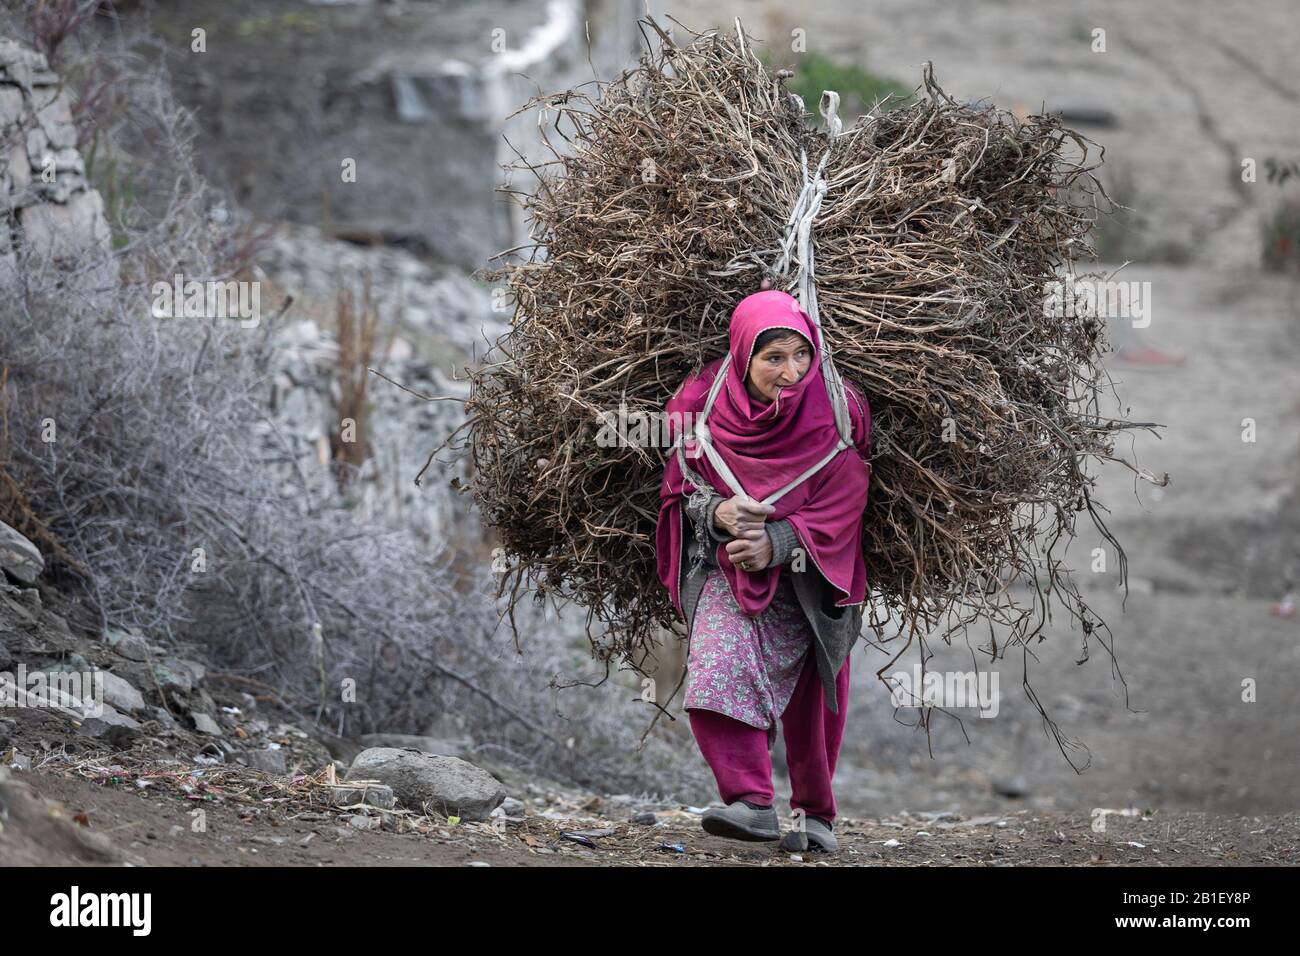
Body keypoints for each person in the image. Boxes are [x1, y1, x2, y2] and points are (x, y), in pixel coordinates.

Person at [655, 288, 873, 853]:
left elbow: (848, 490)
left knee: (811, 695)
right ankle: (751, 803)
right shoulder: (698, 405)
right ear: (743, 355)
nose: (791, 371)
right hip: (728, 569)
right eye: (773, 357)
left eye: (801, 354)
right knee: (717, 668)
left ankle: (815, 816)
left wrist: (779, 541)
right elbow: (681, 485)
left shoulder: (838, 408)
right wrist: (718, 511)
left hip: (814, 575)